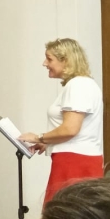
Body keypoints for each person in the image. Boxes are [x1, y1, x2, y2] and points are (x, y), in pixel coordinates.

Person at [18, 38, 103, 204]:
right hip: (77, 158)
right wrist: (48, 142)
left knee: (63, 213)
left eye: (49, 59)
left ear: (66, 60)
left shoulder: (78, 85)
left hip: (74, 161)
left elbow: (70, 129)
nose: (44, 63)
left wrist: (38, 137)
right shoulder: (82, 84)